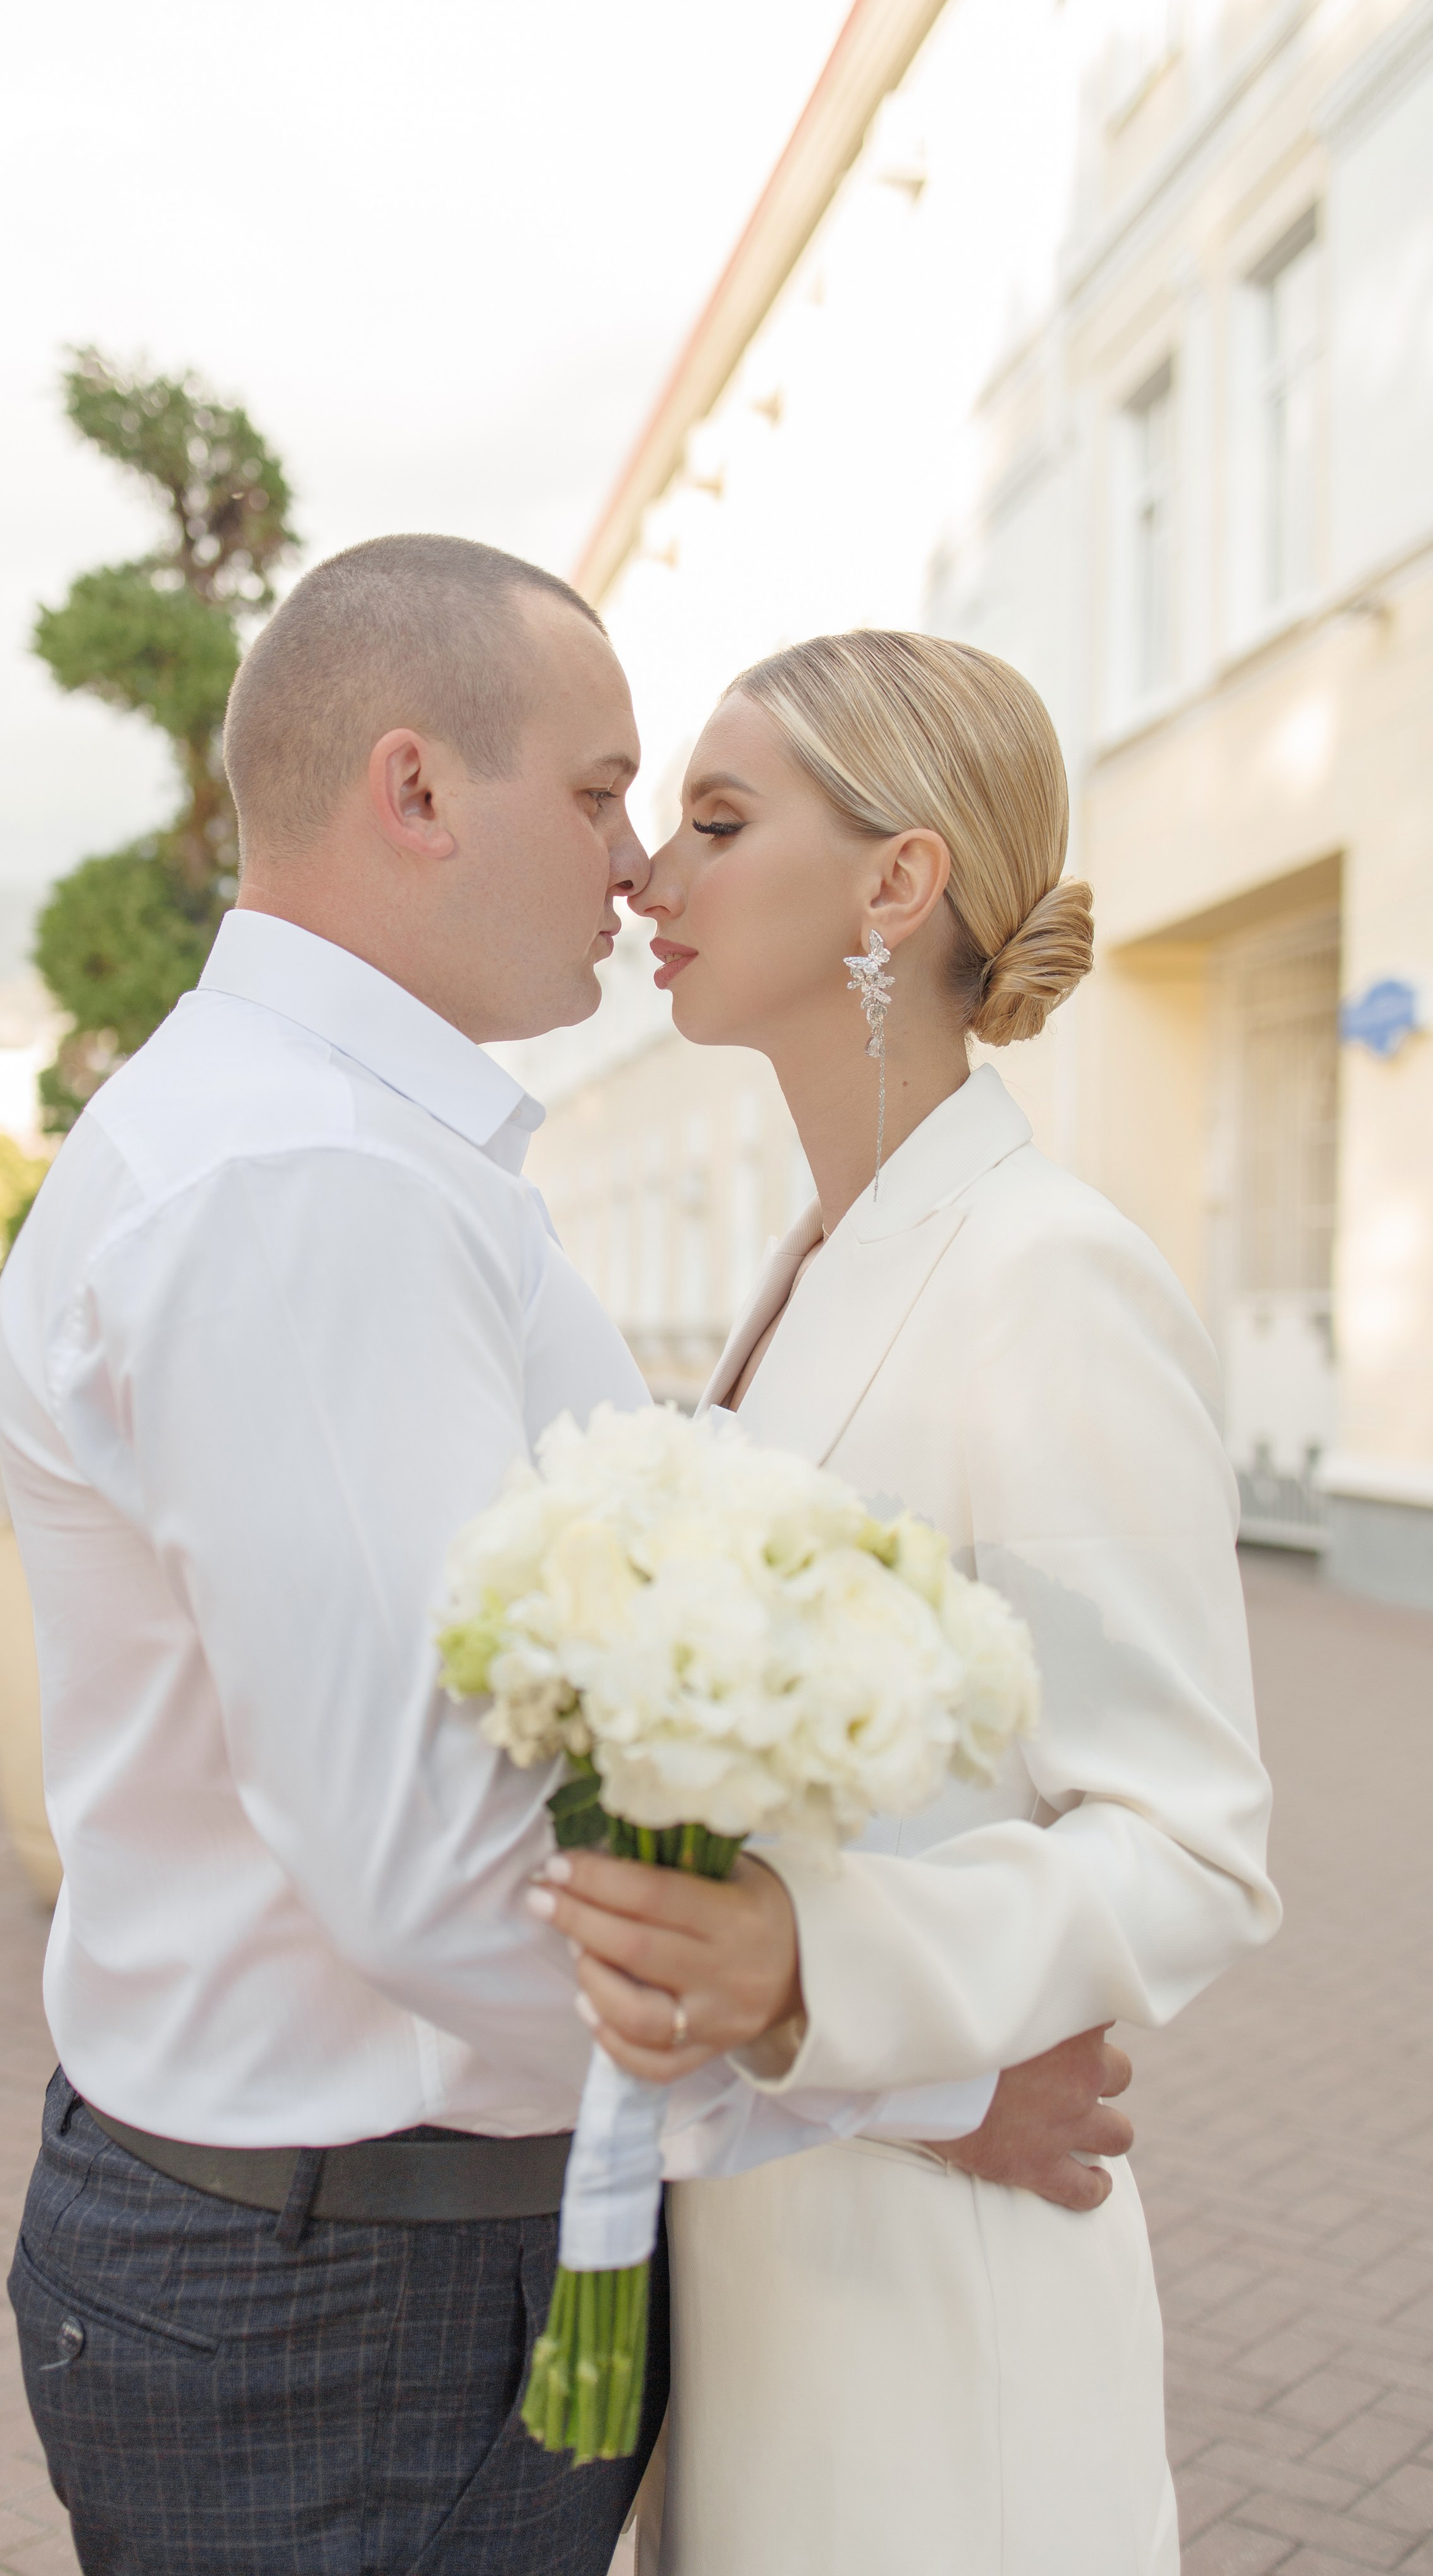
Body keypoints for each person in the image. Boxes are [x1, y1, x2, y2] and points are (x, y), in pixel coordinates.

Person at [0, 547, 1141, 2575]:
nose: (631, 867)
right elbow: (438, 1871)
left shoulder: (357, 1155)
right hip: (344, 2308)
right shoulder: (307, 1188)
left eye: (683, 814)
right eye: (608, 792)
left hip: (357, 2268)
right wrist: (899, 2088)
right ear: (419, 794)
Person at [535, 629, 1281, 2575]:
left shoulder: (1046, 1280)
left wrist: (816, 1971)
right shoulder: (805, 1265)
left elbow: (1190, 1849)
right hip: (759, 2252)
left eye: (716, 820)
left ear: (897, 879)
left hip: (936, 2326)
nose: (647, 877)